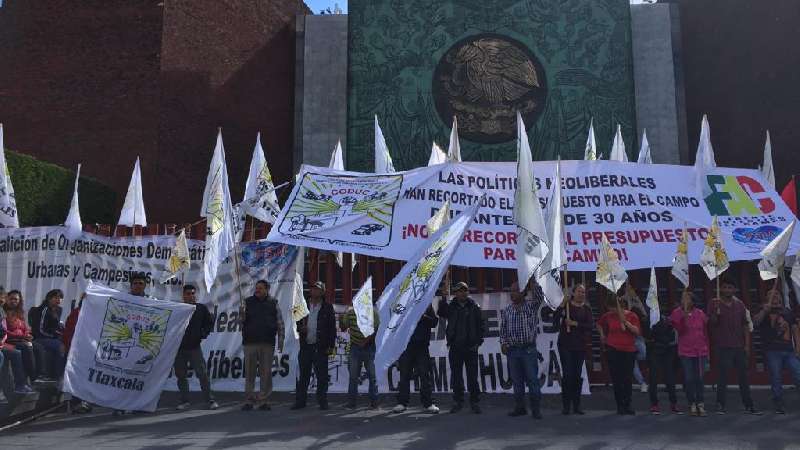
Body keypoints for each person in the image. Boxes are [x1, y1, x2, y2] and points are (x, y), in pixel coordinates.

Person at [707, 277, 761, 415]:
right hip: (722, 346)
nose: (727, 290)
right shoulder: (714, 303)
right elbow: (711, 323)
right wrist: (716, 313)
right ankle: (720, 404)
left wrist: (747, 345)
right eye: (724, 287)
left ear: (734, 290)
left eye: (730, 287)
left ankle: (748, 405)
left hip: (738, 346)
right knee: (722, 378)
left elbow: (745, 325)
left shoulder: (740, 304)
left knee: (743, 377)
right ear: (720, 289)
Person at [438, 281, 485, 414]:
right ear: (456, 293)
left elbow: (481, 325)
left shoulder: (474, 306)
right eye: (460, 290)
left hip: (471, 348)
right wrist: (443, 297)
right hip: (455, 347)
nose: (463, 292)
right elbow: (441, 312)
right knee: (456, 377)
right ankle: (458, 401)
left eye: (465, 290)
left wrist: (478, 343)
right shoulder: (451, 306)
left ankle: (474, 402)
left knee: (472, 377)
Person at [499, 281, 544, 419]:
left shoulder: (531, 306)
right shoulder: (507, 310)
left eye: (515, 290)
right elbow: (503, 330)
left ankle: (535, 409)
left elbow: (539, 296)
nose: (512, 293)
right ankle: (520, 407)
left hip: (528, 350)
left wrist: (532, 283)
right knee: (517, 382)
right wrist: (503, 343)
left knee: (532, 380)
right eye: (511, 291)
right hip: (513, 351)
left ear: (523, 292)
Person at [752, 289, 800, 414]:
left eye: (777, 294)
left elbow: (795, 330)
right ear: (767, 298)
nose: (774, 297)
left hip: (789, 350)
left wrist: (798, 348)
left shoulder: (787, 311)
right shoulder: (763, 310)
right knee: (776, 377)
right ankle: (778, 400)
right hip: (772, 350)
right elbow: (755, 322)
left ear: (780, 297)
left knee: (798, 373)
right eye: (771, 295)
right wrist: (764, 311)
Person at [240, 280, 285, 411]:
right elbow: (239, 323)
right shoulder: (247, 302)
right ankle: (249, 400)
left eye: (260, 288)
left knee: (266, 373)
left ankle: (263, 401)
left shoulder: (273, 303)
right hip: (250, 343)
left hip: (267, 343)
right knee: (249, 373)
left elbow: (280, 323)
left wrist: (281, 341)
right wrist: (241, 314)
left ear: (267, 289)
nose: (257, 290)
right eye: (256, 288)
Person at [292, 281, 336, 411]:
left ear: (323, 292)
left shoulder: (327, 307)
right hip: (306, 346)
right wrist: (300, 328)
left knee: (322, 376)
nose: (314, 291)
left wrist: (331, 346)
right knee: (303, 376)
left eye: (317, 289)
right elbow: (295, 323)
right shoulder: (302, 306)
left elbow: (332, 328)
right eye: (312, 288)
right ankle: (300, 401)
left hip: (320, 346)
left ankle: (322, 401)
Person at [174, 284, 218, 411]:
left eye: (193, 293)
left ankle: (210, 400)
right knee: (181, 376)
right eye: (188, 294)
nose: (191, 296)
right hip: (179, 348)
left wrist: (202, 334)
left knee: (202, 374)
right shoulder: (178, 309)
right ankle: (184, 401)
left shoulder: (201, 308)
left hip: (194, 348)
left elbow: (209, 323)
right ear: (183, 296)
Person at [392, 303, 439, 414]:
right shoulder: (404, 303)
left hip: (422, 346)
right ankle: (402, 403)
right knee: (404, 375)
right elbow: (394, 322)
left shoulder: (426, 303)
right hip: (406, 346)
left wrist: (423, 317)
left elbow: (434, 322)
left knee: (424, 375)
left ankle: (428, 403)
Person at [598, 297, 641, 415]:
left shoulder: (632, 316)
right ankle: (620, 405)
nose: (611, 311)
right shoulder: (608, 316)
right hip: (613, 349)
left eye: (612, 308)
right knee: (616, 379)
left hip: (628, 350)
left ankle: (628, 404)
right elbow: (599, 324)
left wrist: (626, 322)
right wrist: (602, 335)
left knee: (627, 378)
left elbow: (637, 332)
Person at [555, 283, 594, 415]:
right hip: (566, 345)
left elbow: (590, 326)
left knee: (577, 375)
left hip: (580, 346)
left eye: (583, 292)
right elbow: (555, 320)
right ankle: (566, 406)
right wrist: (562, 305)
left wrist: (575, 324)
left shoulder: (586, 309)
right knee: (568, 375)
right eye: (579, 291)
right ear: (573, 293)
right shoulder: (567, 306)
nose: (581, 294)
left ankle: (577, 405)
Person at [671, 289, 709, 417]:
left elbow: (705, 331)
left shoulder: (700, 313)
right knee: (689, 378)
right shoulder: (676, 313)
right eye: (683, 298)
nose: (685, 301)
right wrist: (684, 317)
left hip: (700, 350)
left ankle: (701, 403)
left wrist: (707, 350)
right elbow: (679, 330)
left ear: (693, 301)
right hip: (686, 351)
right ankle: (691, 403)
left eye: (688, 298)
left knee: (699, 378)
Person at [339, 295, 381, 409]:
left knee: (372, 376)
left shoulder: (373, 313)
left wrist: (365, 341)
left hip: (369, 347)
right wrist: (340, 320)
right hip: (355, 348)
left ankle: (374, 403)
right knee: (353, 376)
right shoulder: (350, 313)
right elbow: (343, 328)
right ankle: (352, 403)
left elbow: (375, 329)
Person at [647, 301, 680, 415]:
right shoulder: (648, 318)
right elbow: (646, 335)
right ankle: (654, 404)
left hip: (667, 351)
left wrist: (666, 343)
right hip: (654, 350)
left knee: (669, 378)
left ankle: (673, 403)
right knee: (653, 379)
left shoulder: (668, 320)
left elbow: (672, 336)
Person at [63, 293, 91, 414]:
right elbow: (68, 331)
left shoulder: (94, 314)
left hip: (88, 350)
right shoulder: (77, 313)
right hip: (76, 350)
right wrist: (68, 347)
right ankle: (77, 402)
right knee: (76, 376)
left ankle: (83, 401)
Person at [0, 292, 33, 394]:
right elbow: (7, 331)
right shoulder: (5, 312)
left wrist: (27, 335)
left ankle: (22, 383)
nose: (2, 300)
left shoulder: (3, 311)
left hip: (5, 342)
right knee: (16, 352)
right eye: (11, 299)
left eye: (2, 298)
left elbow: (3, 331)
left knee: (29, 348)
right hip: (9, 342)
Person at [621, 283, 649, 393]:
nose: (629, 291)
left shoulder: (638, 300)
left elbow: (644, 315)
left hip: (638, 336)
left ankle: (633, 357)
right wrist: (627, 298)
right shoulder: (621, 300)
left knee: (645, 353)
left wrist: (636, 300)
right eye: (627, 288)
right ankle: (642, 383)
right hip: (627, 336)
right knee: (633, 365)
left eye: (631, 288)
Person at [34, 289, 66, 382]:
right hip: (41, 338)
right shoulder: (44, 309)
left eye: (60, 298)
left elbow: (55, 325)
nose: (58, 299)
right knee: (60, 347)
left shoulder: (59, 310)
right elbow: (40, 329)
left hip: (53, 338)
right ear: (49, 298)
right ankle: (56, 376)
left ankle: (59, 374)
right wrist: (54, 336)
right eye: (56, 297)